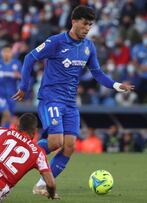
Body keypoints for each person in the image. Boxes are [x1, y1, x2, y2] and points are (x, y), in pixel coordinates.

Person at [12, 5, 134, 196]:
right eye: (85, 24)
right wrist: (24, 87)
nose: (87, 28)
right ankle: (17, 155)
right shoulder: (56, 41)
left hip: (70, 103)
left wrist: (117, 85)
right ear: (74, 21)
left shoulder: (88, 47)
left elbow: (98, 74)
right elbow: (29, 58)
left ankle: (42, 185)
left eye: (90, 25)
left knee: (69, 146)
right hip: (51, 99)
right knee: (55, 142)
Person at [0, 45, 22, 127]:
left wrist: (18, 76)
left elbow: (23, 76)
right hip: (0, 95)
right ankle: (19, 124)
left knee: (7, 117)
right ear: (1, 53)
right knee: (6, 112)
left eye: (8, 52)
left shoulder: (17, 64)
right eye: (5, 52)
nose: (6, 54)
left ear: (11, 53)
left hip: (12, 95)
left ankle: (2, 134)